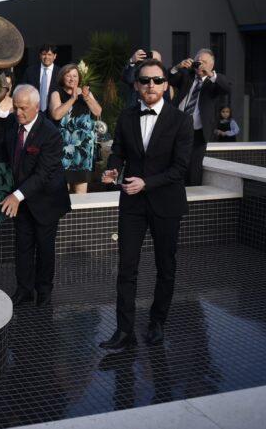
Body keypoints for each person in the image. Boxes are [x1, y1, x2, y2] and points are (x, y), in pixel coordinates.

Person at [99, 58, 193, 350]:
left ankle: (157, 322)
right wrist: (113, 169)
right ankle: (124, 330)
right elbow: (118, 152)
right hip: (132, 203)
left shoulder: (181, 120)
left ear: (165, 86)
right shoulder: (126, 116)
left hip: (166, 202)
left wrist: (146, 183)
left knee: (166, 266)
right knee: (126, 266)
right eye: (144, 80)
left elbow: (180, 168)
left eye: (157, 80)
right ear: (137, 86)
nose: (151, 85)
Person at [0, 85, 71, 307]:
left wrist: (17, 196)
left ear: (37, 107)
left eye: (23, 108)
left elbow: (43, 174)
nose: (18, 112)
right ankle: (24, 290)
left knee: (44, 247)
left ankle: (44, 291)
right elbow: (3, 157)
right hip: (21, 199)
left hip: (46, 200)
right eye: (15, 107)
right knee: (23, 246)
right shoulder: (12, 125)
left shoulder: (50, 133)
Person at [169, 48, 232, 186]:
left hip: (199, 132)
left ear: (211, 65)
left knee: (194, 166)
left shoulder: (214, 81)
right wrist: (177, 67)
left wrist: (210, 74)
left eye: (204, 62)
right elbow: (170, 78)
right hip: (177, 127)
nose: (199, 64)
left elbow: (226, 88)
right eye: (197, 61)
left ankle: (192, 193)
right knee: (174, 160)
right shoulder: (187, 74)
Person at [48, 63, 103, 194]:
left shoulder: (86, 93)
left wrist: (87, 97)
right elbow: (56, 115)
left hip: (83, 149)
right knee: (62, 192)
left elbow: (97, 112)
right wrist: (72, 99)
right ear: (62, 77)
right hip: (63, 149)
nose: (72, 79)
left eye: (75, 76)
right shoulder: (56, 93)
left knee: (81, 193)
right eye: (68, 76)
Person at [22, 44, 60, 114]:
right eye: (44, 54)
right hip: (33, 112)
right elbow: (23, 91)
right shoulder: (30, 71)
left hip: (53, 112)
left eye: (49, 54)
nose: (46, 57)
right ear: (40, 55)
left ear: (55, 56)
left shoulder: (60, 73)